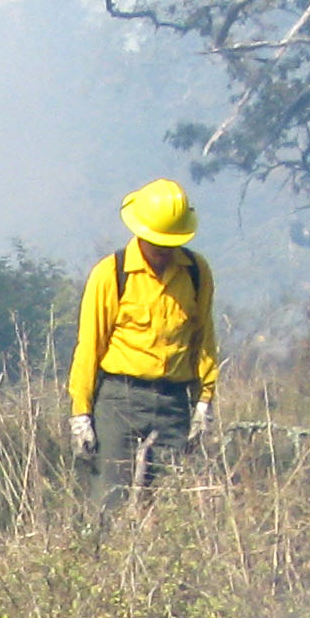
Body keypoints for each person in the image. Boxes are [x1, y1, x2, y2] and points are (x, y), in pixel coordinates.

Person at [67, 180, 218, 502]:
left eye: (170, 242)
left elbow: (203, 338)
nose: (163, 250)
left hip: (174, 405)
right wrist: (81, 414)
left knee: (169, 504)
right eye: (156, 241)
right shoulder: (111, 273)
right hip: (120, 402)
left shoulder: (196, 272)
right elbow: (89, 347)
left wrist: (204, 401)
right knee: (111, 502)